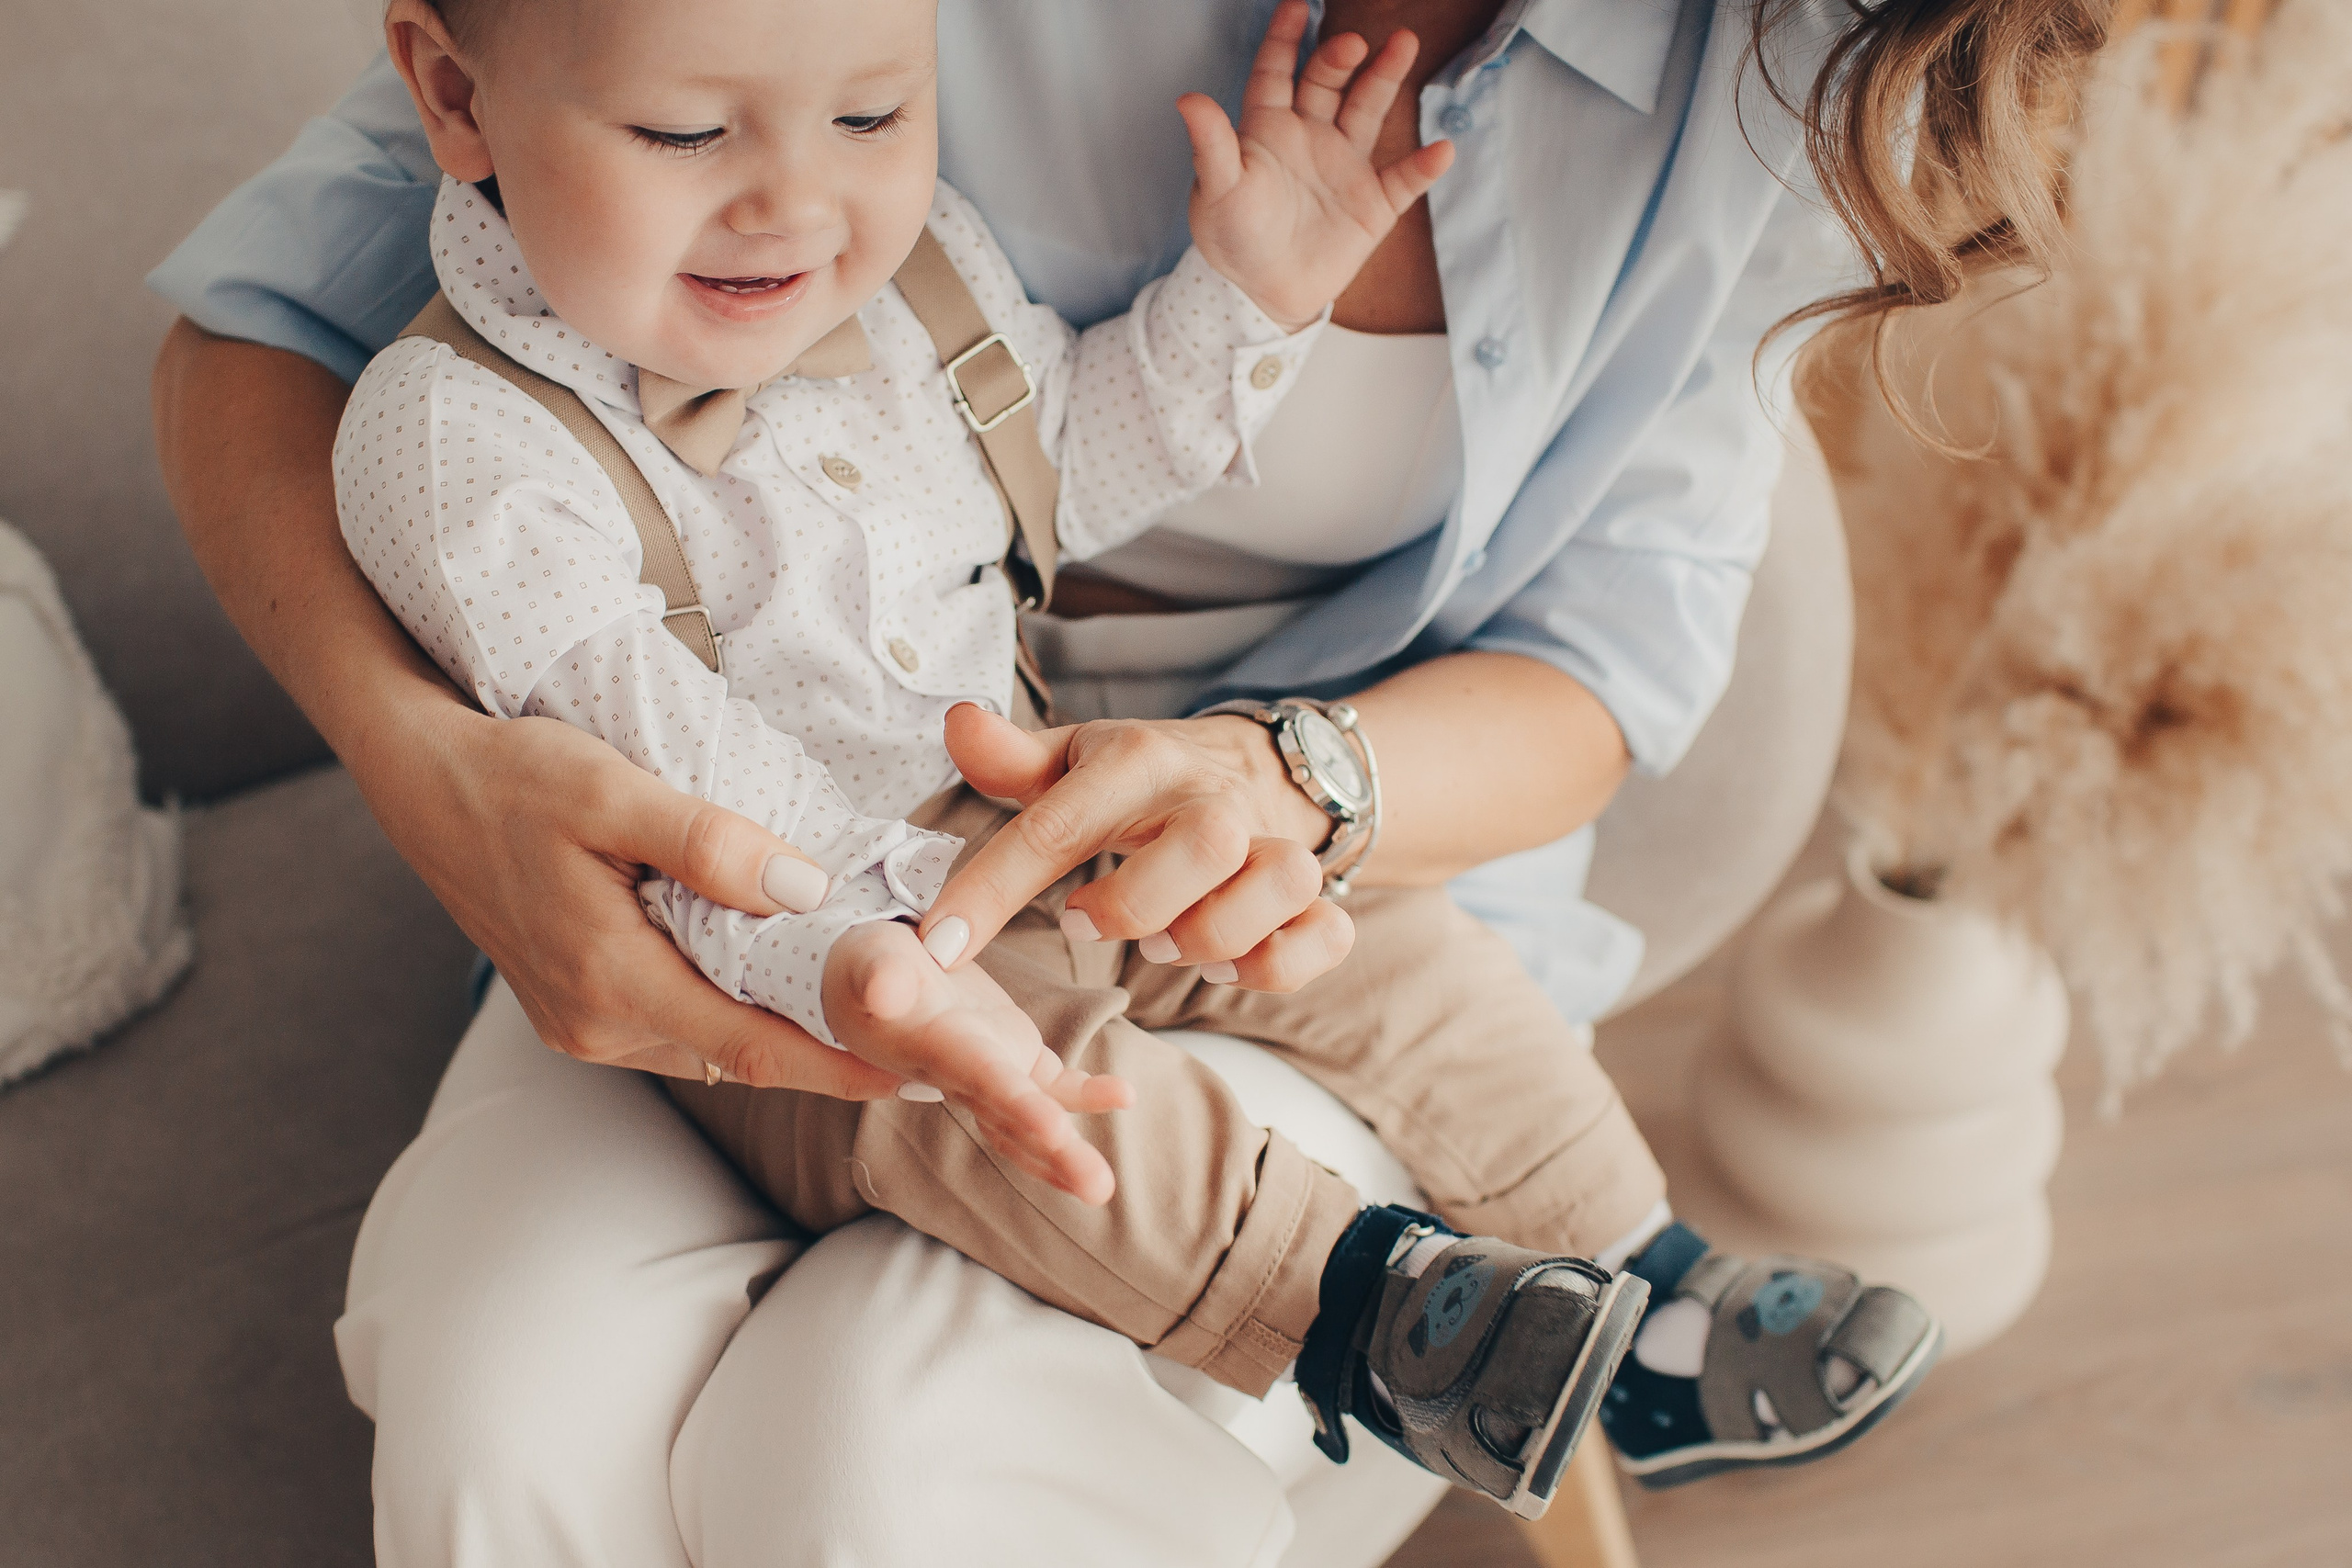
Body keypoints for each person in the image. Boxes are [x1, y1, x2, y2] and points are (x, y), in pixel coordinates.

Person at [151, 0, 2105, 1562]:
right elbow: (269, 329)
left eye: (866, 120)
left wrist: (1284, 711)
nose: (789, 204)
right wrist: (432, 769)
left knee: (888, 1450)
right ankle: (1371, 1304)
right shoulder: (489, 404)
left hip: (1241, 841)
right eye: (691, 141)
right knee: (518, 1407)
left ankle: (1631, 1288)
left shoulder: (1764, 66)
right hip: (786, 907)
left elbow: (1565, 637)